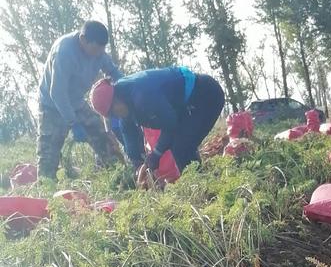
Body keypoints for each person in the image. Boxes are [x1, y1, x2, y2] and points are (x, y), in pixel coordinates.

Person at [89, 67, 225, 182]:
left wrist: (155, 155)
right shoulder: (126, 101)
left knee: (181, 147)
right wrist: (137, 163)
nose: (116, 116)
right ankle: (203, 184)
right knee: (182, 147)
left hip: (206, 95)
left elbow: (171, 124)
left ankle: (202, 188)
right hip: (186, 108)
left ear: (116, 99)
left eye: (113, 111)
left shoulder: (142, 95)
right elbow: (128, 132)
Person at [37, 20, 122, 179]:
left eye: (102, 49)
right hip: (52, 106)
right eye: (96, 49)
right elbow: (57, 93)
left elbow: (112, 71)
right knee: (48, 154)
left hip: (76, 101)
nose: (99, 54)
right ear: (83, 40)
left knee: (103, 138)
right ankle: (47, 193)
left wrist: (126, 86)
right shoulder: (64, 52)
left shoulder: (99, 52)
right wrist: (73, 123)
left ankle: (118, 179)